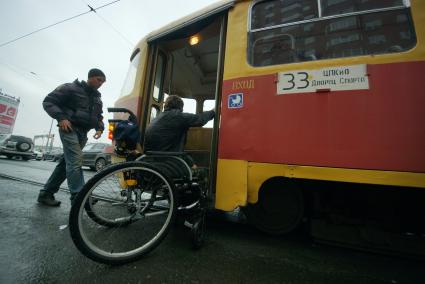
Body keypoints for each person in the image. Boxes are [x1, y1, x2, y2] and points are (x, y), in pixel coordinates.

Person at [37, 68, 106, 206]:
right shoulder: (70, 88)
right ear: (90, 77)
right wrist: (61, 118)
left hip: (83, 133)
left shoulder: (97, 98)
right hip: (69, 128)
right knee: (75, 161)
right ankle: (80, 196)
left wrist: (99, 128)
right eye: (99, 80)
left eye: (103, 82)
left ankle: (46, 193)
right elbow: (48, 102)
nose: (100, 84)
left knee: (65, 164)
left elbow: (99, 116)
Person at [144, 95, 215, 158]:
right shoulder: (177, 116)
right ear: (180, 107)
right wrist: (213, 111)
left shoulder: (157, 118)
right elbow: (200, 119)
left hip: (151, 158)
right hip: (167, 160)